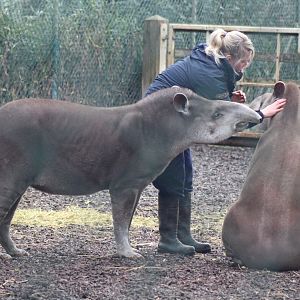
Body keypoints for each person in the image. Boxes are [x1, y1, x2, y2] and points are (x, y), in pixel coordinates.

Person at [144, 28, 286, 256]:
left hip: (176, 122)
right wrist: (261, 114)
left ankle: (183, 235)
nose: (244, 68)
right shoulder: (209, 72)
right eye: (243, 63)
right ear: (229, 58)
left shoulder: (213, 64)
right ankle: (168, 239)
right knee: (173, 176)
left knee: (185, 174)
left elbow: (208, 103)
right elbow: (223, 122)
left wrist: (228, 99)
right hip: (159, 123)